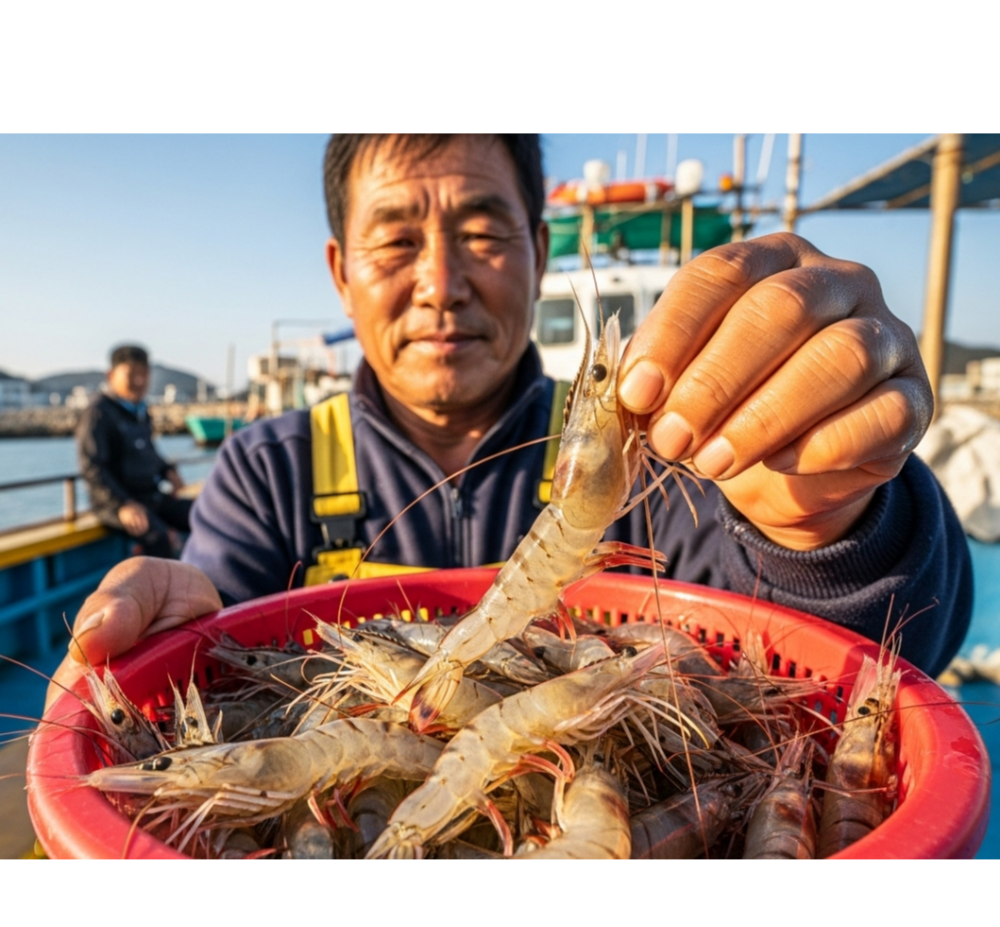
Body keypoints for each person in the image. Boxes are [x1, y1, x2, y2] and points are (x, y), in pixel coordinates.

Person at [47, 134, 972, 710]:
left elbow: (891, 650)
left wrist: (829, 522)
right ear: (341, 273)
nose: (442, 284)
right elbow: (226, 627)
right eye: (396, 240)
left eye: (484, 233)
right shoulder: (265, 472)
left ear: (537, 250)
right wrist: (179, 625)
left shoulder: (670, 460)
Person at [76, 344, 193, 559]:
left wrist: (167, 471)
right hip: (115, 503)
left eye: (144, 374)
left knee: (201, 514)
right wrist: (123, 504)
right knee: (157, 537)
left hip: (150, 496)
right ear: (111, 375)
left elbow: (148, 451)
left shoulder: (140, 410)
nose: (139, 381)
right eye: (131, 375)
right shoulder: (98, 413)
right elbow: (92, 468)